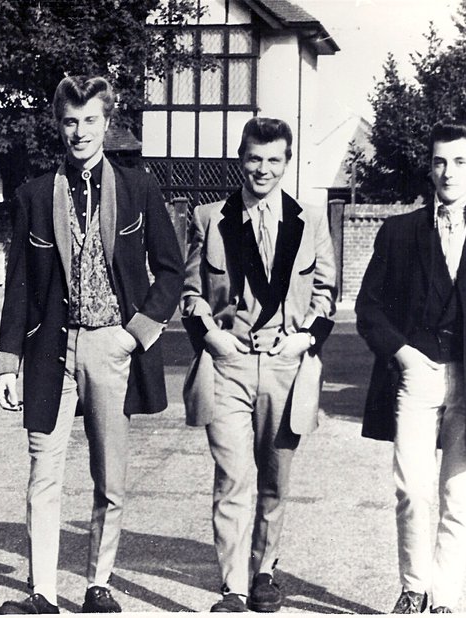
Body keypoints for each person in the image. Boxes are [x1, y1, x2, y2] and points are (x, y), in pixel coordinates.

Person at [0, 75, 184, 614]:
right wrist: (7, 364)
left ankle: (98, 582)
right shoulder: (34, 195)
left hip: (111, 346)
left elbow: (170, 272)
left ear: (108, 122)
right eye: (70, 121)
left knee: (111, 474)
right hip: (51, 349)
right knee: (43, 473)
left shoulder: (139, 187)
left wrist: (134, 335)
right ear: (59, 125)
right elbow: (20, 287)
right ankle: (42, 593)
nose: (80, 132)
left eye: (91, 120)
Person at [355, 118, 466, 613]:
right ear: (429, 168)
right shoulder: (400, 232)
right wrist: (404, 355)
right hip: (417, 376)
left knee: (458, 498)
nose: (448, 172)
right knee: (412, 489)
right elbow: (369, 309)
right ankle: (413, 588)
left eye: (459, 162)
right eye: (439, 162)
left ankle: (443, 600)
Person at [181, 117, 337, 612]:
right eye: (254, 158)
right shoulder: (209, 218)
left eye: (273, 160)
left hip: (285, 366)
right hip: (227, 363)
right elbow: (190, 294)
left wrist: (305, 340)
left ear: (286, 163)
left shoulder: (310, 221)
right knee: (232, 476)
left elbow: (326, 294)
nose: (262, 169)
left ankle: (264, 571)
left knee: (275, 476)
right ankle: (233, 585)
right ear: (240, 159)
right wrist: (214, 340)